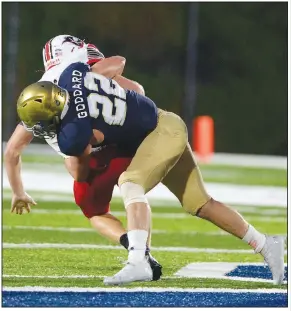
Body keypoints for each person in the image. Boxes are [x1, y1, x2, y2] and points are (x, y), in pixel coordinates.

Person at [16, 59, 285, 286]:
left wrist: (76, 144)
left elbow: (80, 169)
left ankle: (138, 260)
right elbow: (115, 67)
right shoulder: (70, 72)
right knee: (199, 203)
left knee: (130, 182)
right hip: (161, 124)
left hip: (159, 132)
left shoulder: (73, 134)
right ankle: (265, 244)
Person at [5, 35, 161, 280]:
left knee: (93, 208)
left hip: (94, 155)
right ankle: (140, 250)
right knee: (133, 191)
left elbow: (13, 151)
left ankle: (140, 251)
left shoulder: (42, 92)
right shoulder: (82, 70)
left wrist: (18, 192)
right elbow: (137, 90)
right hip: (128, 141)